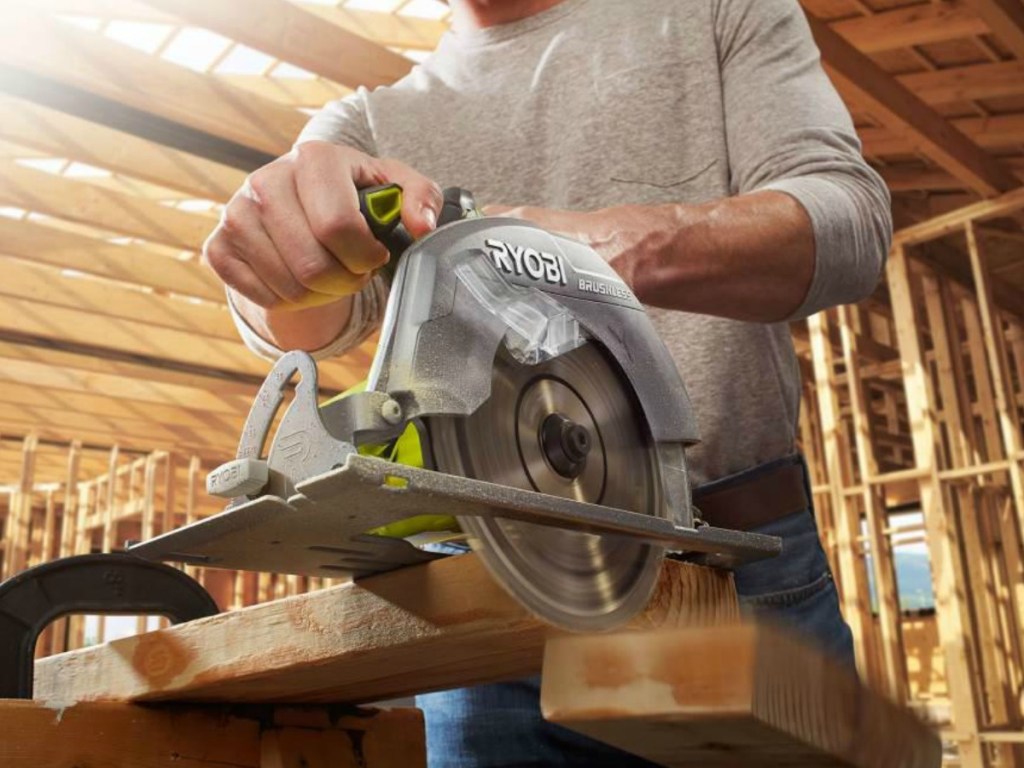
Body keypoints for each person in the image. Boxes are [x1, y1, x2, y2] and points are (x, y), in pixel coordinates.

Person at [204, 0, 892, 765]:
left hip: (730, 576)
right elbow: (301, 319)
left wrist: (567, 258)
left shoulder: (715, 12)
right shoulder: (364, 123)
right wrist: (275, 256)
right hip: (482, 602)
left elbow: (848, 226)